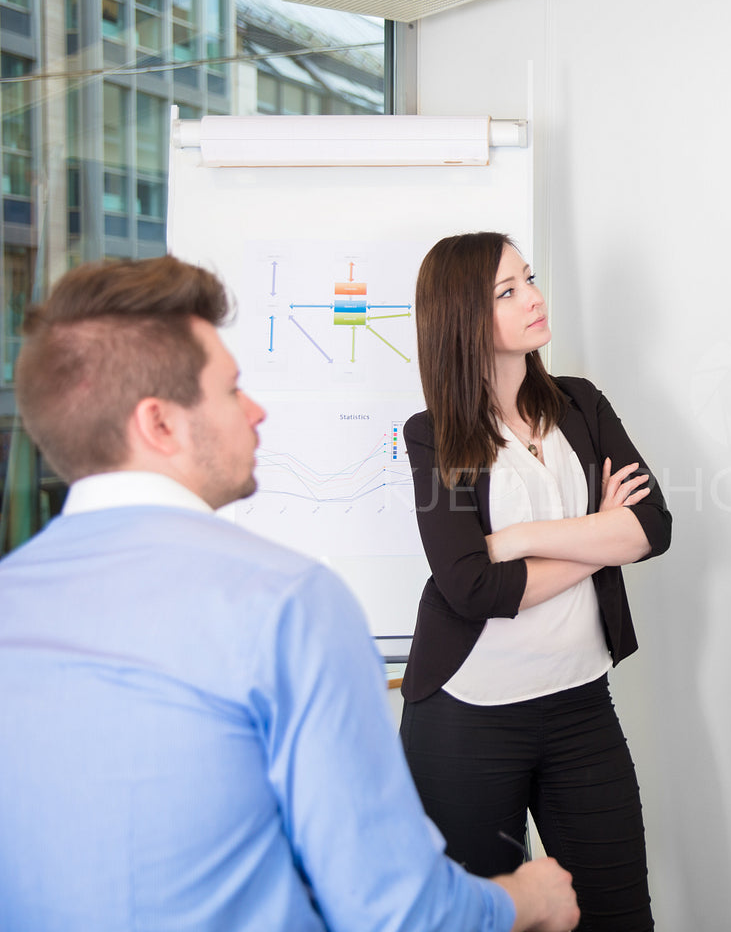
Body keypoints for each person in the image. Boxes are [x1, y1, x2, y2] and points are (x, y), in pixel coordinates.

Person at [0, 256, 578, 932]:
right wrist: (528, 900)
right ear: (158, 424)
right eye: (232, 389)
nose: (257, 409)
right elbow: (400, 912)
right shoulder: (285, 603)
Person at [399, 232, 671, 932]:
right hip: (467, 718)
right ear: (462, 316)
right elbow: (473, 589)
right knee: (480, 920)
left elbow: (652, 528)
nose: (535, 297)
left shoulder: (580, 405)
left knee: (619, 918)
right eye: (508, 290)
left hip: (581, 704)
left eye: (530, 279)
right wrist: (599, 539)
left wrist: (516, 541)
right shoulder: (434, 435)